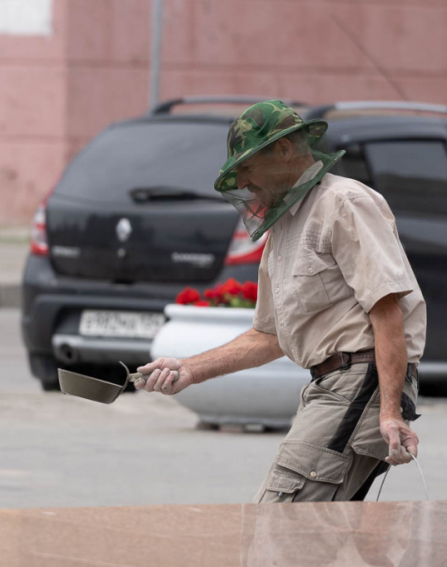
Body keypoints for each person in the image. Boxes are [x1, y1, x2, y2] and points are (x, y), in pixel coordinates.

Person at [135, 100, 427, 503]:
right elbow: (269, 335)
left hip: (360, 383)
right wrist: (188, 369)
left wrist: (390, 411)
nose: (244, 181)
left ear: (286, 150)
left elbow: (387, 310)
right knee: (322, 536)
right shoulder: (285, 224)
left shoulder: (343, 202)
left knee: (277, 521)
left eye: (248, 165)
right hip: (333, 386)